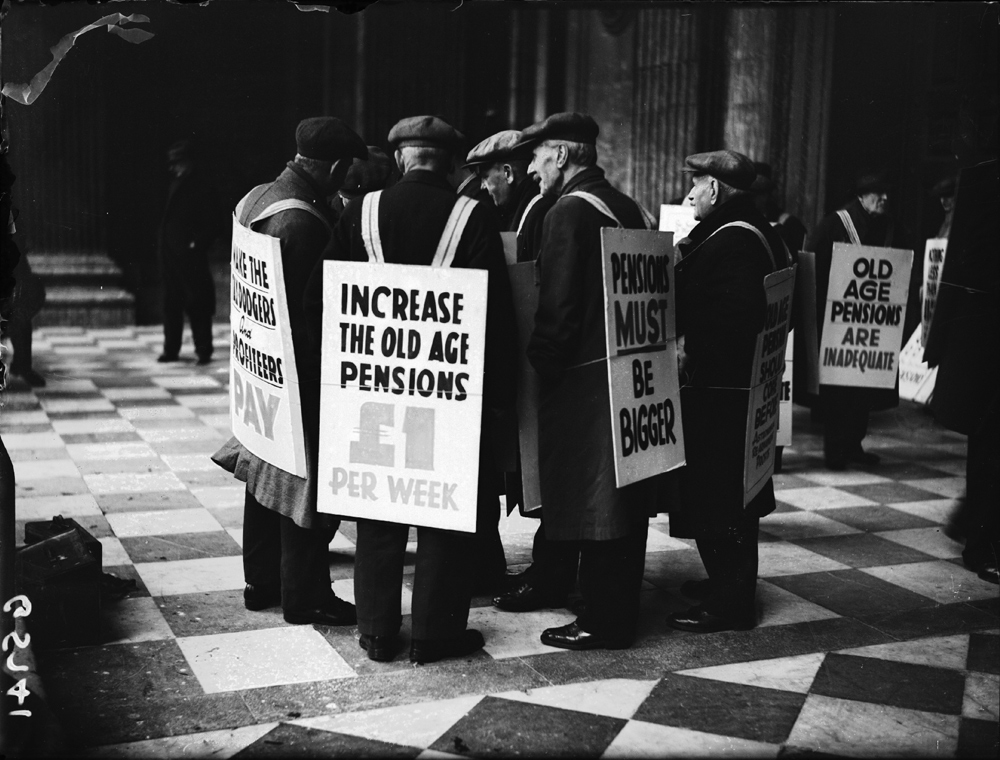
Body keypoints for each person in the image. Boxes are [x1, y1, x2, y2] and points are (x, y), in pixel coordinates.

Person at [303, 115, 517, 664]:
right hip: (450, 391)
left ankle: (376, 632)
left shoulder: (361, 211)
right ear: (446, 162)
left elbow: (318, 301)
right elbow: (496, 320)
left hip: (372, 389)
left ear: (400, 158)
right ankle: (434, 635)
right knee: (444, 509)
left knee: (378, 504)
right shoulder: (473, 216)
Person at [212, 117, 368, 627]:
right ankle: (307, 596)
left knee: (262, 471)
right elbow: (312, 315)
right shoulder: (303, 222)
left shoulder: (255, 197)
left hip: (260, 368)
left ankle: (262, 581)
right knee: (306, 484)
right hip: (299, 376)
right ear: (338, 166)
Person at [517, 112, 656, 651]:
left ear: (563, 155)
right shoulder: (629, 207)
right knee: (624, 497)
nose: (531, 167)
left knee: (593, 499)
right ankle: (613, 606)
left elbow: (558, 310)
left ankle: (602, 620)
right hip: (632, 376)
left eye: (537, 155)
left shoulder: (567, 213)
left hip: (584, 386)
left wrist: (541, 368)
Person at [668, 150, 789, 634]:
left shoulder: (733, 242)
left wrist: (687, 347)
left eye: (695, 185)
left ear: (715, 189)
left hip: (722, 394)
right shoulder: (760, 232)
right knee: (737, 495)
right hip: (745, 393)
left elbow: (733, 319)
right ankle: (727, 582)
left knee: (719, 498)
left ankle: (729, 601)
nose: (689, 195)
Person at [461, 130, 573, 613]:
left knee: (543, 474)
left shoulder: (538, 212)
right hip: (529, 360)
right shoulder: (524, 206)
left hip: (534, 363)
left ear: (506, 172)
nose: (486, 190)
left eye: (489, 179)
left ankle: (549, 572)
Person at [804, 170, 912, 470]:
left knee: (866, 388)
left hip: (875, 328)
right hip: (838, 325)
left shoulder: (893, 227)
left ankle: (854, 445)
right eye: (878, 193)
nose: (885, 199)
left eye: (887, 193)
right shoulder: (834, 224)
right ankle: (835, 449)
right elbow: (811, 266)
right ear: (862, 197)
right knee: (839, 391)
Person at [751, 161, 807, 473]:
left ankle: (775, 454)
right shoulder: (780, 226)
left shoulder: (785, 226)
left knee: (776, 392)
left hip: (777, 321)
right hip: (778, 322)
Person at [157, 140, 225, 365]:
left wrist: (197, 244)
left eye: (176, 163)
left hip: (190, 257)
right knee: (171, 305)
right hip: (171, 256)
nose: (172, 168)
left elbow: (213, 221)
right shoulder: (175, 183)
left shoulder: (201, 185)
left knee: (198, 305)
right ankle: (171, 350)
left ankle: (203, 350)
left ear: (187, 163)